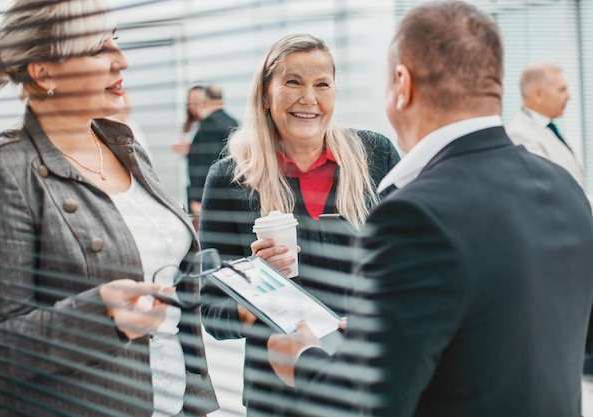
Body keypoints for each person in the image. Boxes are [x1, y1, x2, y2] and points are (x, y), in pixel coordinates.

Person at [267, 2, 593, 417]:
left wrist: (302, 359)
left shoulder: (414, 215)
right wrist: (388, 329)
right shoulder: (563, 185)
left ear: (402, 84)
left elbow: (366, 402)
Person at [0, 1, 218, 416]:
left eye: (115, 41)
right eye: (98, 48)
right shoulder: (0, 171)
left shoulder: (125, 147)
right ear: (44, 71)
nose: (121, 60)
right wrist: (100, 315)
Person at [199, 33, 400, 417]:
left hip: (366, 377)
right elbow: (212, 313)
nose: (309, 98)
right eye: (293, 82)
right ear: (265, 94)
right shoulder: (231, 178)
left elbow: (411, 264)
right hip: (279, 391)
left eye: (321, 84)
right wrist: (257, 287)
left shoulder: (375, 155)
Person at [506, 61, 586, 189]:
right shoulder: (520, 135)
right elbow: (549, 191)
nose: (568, 96)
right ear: (538, 94)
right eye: (562, 90)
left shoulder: (548, 128)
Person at [187, 84, 238, 224]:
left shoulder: (209, 124)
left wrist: (197, 200)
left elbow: (204, 163)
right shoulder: (232, 122)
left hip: (211, 199)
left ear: (204, 101)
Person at [171, 85, 205, 205]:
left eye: (196, 101)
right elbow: (176, 146)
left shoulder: (208, 125)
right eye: (190, 102)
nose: (193, 105)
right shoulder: (187, 125)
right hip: (189, 179)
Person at [110, 91, 153, 161]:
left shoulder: (133, 125)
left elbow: (147, 155)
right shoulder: (107, 127)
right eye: (124, 103)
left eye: (128, 103)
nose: (127, 106)